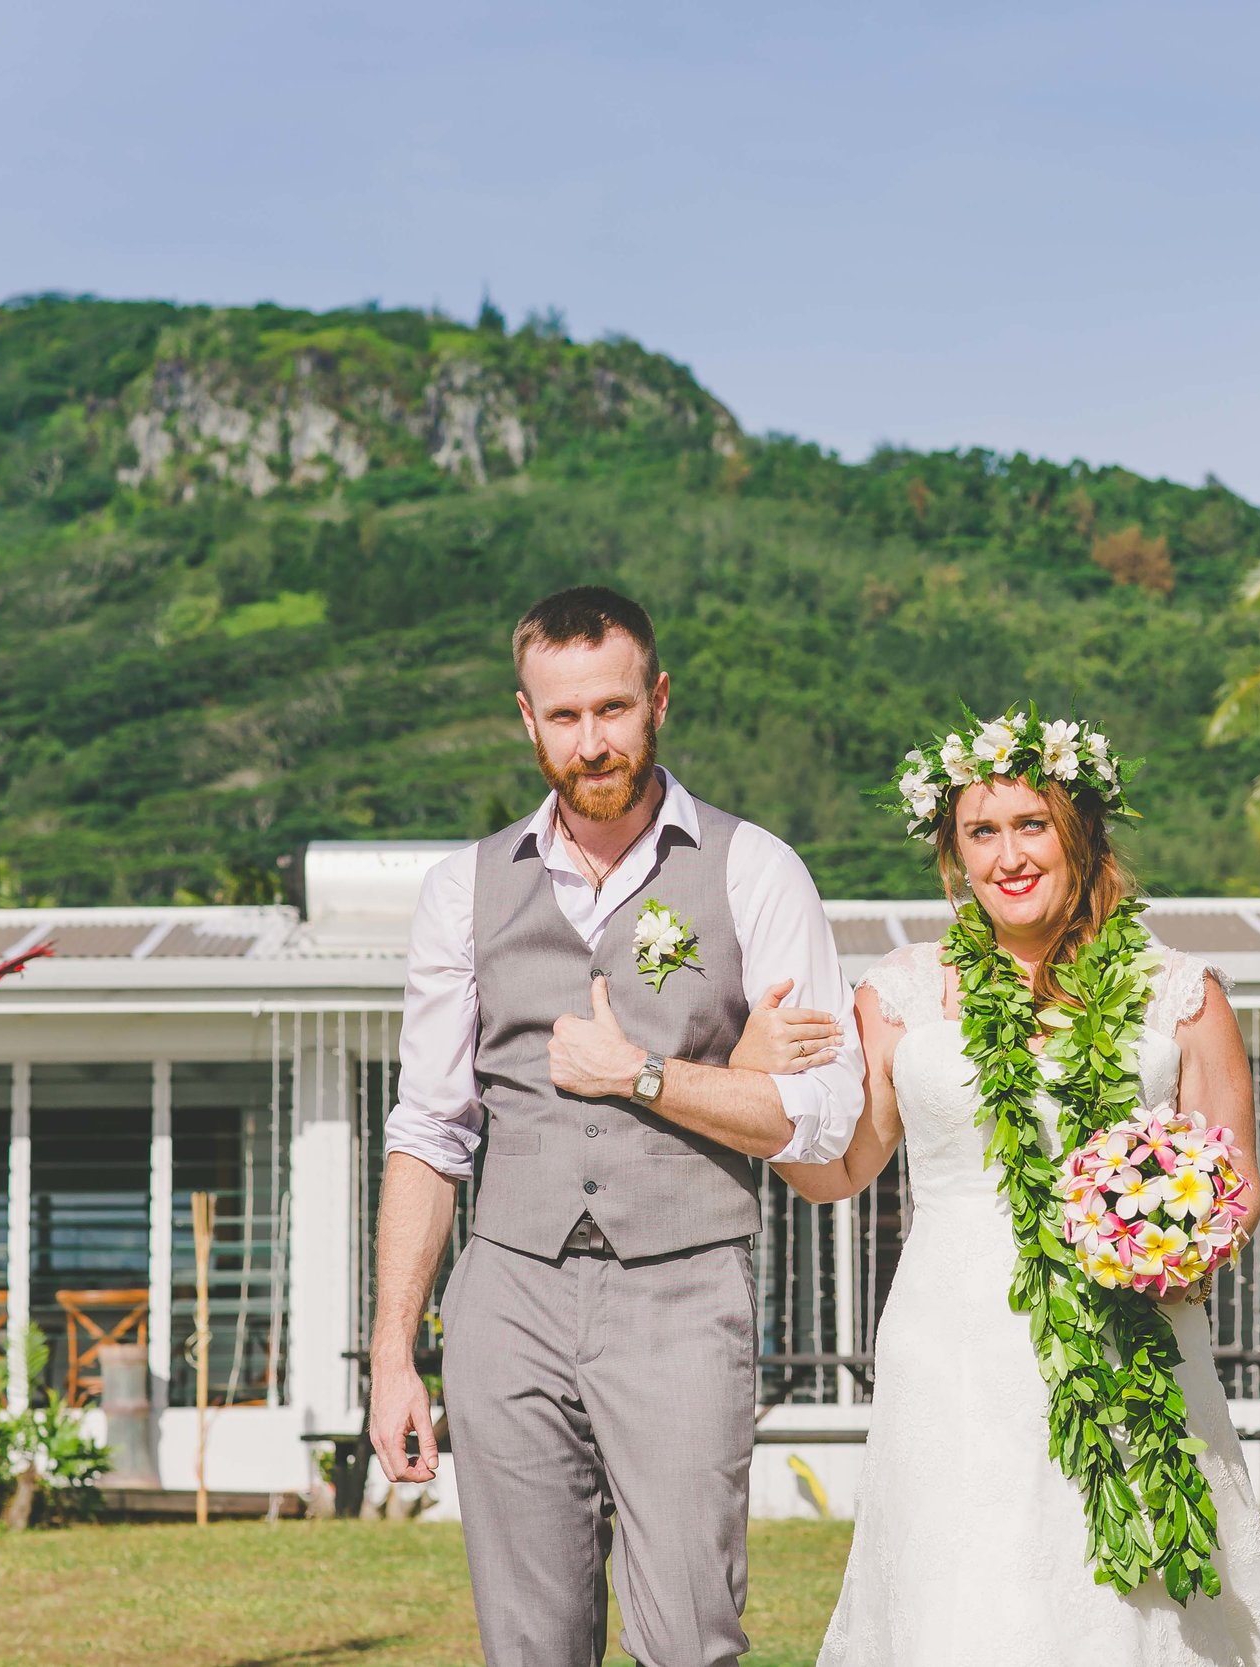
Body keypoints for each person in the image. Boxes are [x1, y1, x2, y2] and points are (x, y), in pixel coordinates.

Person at [367, 586, 864, 1667]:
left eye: (613, 708)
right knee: (530, 1642)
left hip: (685, 1289)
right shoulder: (461, 888)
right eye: (564, 716)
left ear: (659, 700)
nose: (591, 742)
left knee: (689, 1632)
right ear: (525, 718)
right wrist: (394, 1352)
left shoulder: (754, 868)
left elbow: (821, 1117)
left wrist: (641, 1073)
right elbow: (430, 1129)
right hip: (507, 1294)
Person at [759, 709, 1260, 1666]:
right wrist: (753, 1075)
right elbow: (837, 1170)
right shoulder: (898, 992)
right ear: (954, 854)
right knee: (962, 1597)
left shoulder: (1179, 991)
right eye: (983, 831)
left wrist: (1176, 1245)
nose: (1010, 855)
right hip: (953, 1351)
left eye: (1033, 825)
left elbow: (1239, 1184)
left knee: (1134, 1602)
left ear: (1081, 833)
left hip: (1131, 1342)